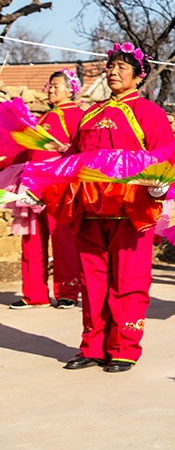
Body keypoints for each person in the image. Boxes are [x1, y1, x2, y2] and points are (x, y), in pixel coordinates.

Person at [43, 44, 175, 372]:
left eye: (122, 67)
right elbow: (74, 157)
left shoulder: (149, 113)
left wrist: (160, 187)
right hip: (88, 211)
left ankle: (124, 348)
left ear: (139, 75)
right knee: (92, 281)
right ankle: (92, 346)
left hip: (131, 211)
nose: (113, 71)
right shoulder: (90, 114)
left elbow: (166, 157)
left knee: (128, 281)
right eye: (111, 66)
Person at [8, 69, 85, 309]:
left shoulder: (78, 116)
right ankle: (34, 294)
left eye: (56, 85)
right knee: (32, 239)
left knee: (63, 239)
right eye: (49, 86)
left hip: (59, 184)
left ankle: (68, 292)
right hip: (31, 185)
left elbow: (83, 149)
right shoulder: (42, 119)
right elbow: (25, 150)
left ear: (71, 89)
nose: (51, 89)